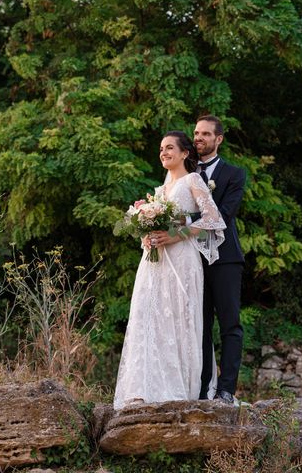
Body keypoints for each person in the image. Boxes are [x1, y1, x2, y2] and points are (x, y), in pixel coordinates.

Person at [113, 131, 226, 410]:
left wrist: (177, 234)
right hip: (156, 261)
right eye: (161, 148)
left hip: (182, 260)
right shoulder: (160, 192)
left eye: (170, 148)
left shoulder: (193, 181)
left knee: (177, 316)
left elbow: (213, 218)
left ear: (185, 153)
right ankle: (145, 387)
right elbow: (153, 225)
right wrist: (146, 235)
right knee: (150, 317)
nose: (164, 152)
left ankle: (178, 387)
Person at [193, 115, 246, 404]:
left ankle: (226, 389)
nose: (198, 138)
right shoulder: (185, 173)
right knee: (199, 326)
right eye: (196, 133)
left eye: (205, 134)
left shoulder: (234, 174)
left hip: (225, 259)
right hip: (192, 261)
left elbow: (224, 214)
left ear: (218, 139)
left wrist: (182, 224)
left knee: (229, 324)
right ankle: (202, 389)